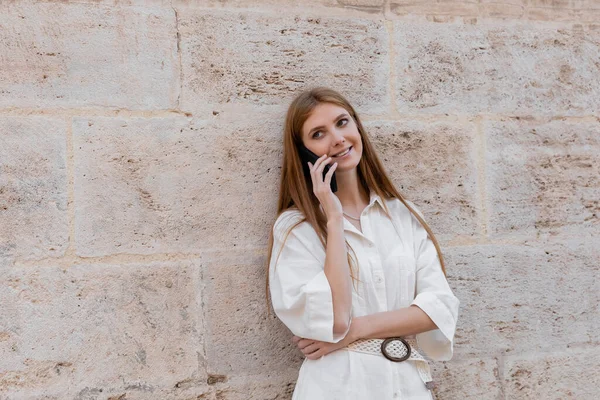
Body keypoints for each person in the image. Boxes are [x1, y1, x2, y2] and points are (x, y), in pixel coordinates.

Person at [264, 87, 460, 400]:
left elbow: (438, 309)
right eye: (318, 133)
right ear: (304, 151)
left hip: (407, 386)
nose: (337, 138)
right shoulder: (296, 228)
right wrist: (334, 217)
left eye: (342, 123)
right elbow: (335, 319)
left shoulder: (403, 215)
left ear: (357, 126)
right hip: (339, 386)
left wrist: (354, 332)